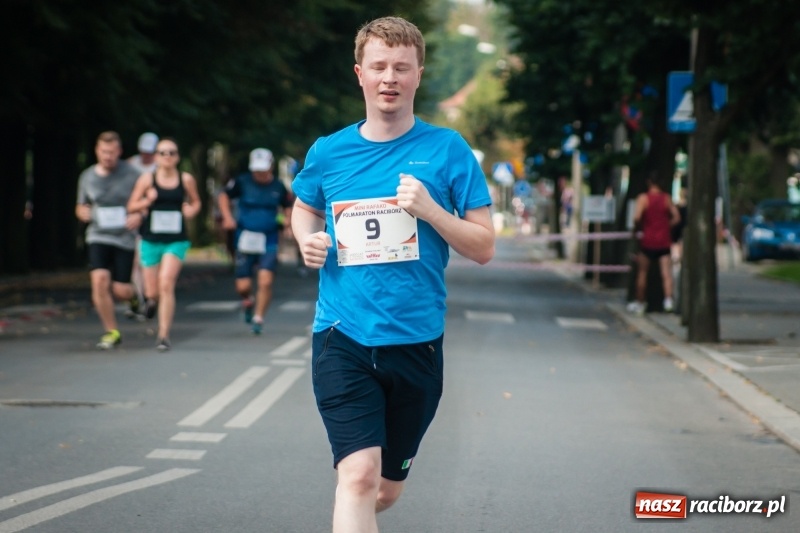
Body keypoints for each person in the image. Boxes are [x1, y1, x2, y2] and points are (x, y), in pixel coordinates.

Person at [290, 16, 495, 533]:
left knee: (384, 489)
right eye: (378, 67)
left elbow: (485, 245)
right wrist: (305, 239)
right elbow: (303, 207)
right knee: (358, 476)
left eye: (401, 68)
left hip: (416, 341)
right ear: (359, 73)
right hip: (343, 335)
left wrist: (432, 211)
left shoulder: (448, 150)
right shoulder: (329, 151)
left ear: (418, 75)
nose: (389, 78)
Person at [127, 137, 202, 351]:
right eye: (162, 153)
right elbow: (131, 205)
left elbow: (196, 201)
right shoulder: (146, 179)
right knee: (152, 291)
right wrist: (146, 201)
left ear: (177, 157)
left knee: (166, 282)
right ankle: (150, 301)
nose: (167, 156)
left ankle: (163, 335)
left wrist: (192, 210)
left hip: (176, 239)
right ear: (156, 157)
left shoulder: (185, 179)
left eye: (171, 152)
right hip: (150, 239)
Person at [75, 131, 143, 349]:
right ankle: (111, 331)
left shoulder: (133, 174)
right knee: (99, 281)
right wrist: (81, 213)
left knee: (121, 290)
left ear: (119, 152)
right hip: (98, 235)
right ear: (97, 151)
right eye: (104, 152)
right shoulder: (87, 176)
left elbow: (146, 201)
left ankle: (133, 297)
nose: (107, 157)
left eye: (112, 152)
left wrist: (138, 215)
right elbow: (80, 205)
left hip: (124, 238)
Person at [217, 148, 293, 335]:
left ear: (270, 167)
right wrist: (227, 217)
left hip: (269, 236)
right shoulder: (242, 182)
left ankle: (259, 318)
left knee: (265, 280)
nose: (260, 173)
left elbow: (288, 206)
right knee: (243, 285)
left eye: (263, 169)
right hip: (245, 236)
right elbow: (223, 196)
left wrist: (289, 223)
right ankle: (248, 300)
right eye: (257, 170)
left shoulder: (278, 186)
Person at [629, 174, 681, 316]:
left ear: (648, 182)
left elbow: (637, 217)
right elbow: (676, 217)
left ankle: (640, 303)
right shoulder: (666, 198)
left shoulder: (643, 198)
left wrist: (638, 228)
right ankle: (668, 301)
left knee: (642, 273)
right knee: (666, 273)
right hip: (663, 241)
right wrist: (666, 226)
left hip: (648, 240)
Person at [124, 132, 159, 319]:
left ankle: (149, 297)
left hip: (152, 217)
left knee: (148, 260)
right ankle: (139, 298)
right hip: (135, 213)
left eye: (150, 152)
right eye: (144, 152)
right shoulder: (131, 164)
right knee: (136, 261)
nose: (146, 155)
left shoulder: (160, 166)